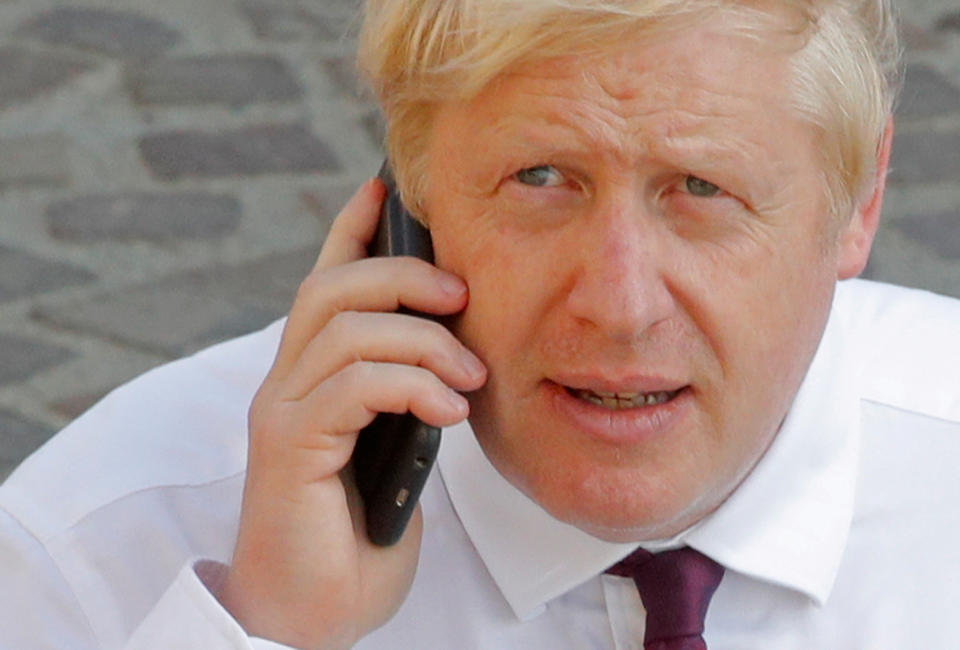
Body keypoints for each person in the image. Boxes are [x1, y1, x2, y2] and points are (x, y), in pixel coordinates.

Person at [2, 0, 959, 648]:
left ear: (860, 198)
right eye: (540, 179)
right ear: (410, 196)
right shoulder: (88, 554)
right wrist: (271, 636)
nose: (622, 307)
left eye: (700, 188)